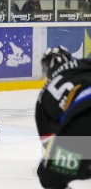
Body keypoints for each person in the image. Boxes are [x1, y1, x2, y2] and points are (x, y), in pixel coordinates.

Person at [35, 45, 91, 188]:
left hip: (83, 123)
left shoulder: (44, 95)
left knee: (47, 175)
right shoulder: (83, 63)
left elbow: (48, 140)